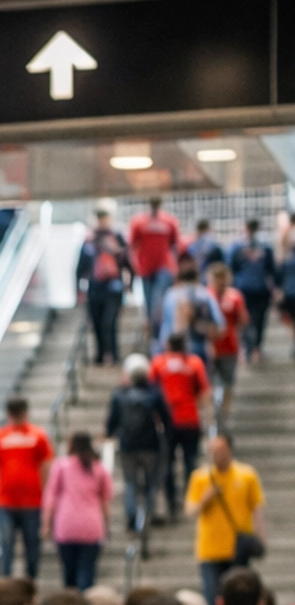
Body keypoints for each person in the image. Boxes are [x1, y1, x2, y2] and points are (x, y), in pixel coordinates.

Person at [185, 432, 266, 605]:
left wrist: (261, 538)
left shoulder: (246, 475)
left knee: (240, 599)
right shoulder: (200, 478)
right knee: (213, 598)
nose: (216, 454)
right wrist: (206, 498)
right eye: (213, 450)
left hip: (238, 547)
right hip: (209, 549)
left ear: (229, 449)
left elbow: (257, 508)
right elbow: (190, 511)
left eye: (220, 450)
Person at [0, 394, 53, 579]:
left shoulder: (37, 436)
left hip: (31, 502)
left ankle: (30, 578)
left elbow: (46, 465)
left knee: (31, 545)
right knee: (7, 544)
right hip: (7, 502)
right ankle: (7, 580)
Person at [106, 354, 173, 546]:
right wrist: (167, 439)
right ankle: (148, 516)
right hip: (150, 446)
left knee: (130, 484)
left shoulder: (120, 395)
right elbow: (167, 419)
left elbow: (112, 421)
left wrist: (112, 434)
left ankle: (131, 518)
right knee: (151, 484)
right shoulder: (155, 393)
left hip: (127, 446)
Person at [149, 333, 210, 520]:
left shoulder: (159, 364)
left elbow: (151, 390)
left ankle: (171, 501)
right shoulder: (194, 363)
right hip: (190, 418)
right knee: (190, 460)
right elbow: (204, 391)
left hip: (167, 421)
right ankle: (189, 497)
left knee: (168, 462)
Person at [41, 431, 112, 590]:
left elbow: (51, 497)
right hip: (91, 526)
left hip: (66, 526)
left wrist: (46, 524)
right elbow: (106, 501)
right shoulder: (99, 469)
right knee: (87, 571)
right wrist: (107, 524)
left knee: (69, 573)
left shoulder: (61, 466)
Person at [76, 208, 133, 366]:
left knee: (109, 322)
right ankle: (100, 355)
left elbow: (127, 261)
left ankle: (113, 355)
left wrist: (129, 284)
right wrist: (78, 290)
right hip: (95, 287)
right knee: (97, 322)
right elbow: (81, 266)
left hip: (113, 287)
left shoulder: (116, 237)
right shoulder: (89, 239)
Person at [129, 196, 183, 337]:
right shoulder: (139, 221)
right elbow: (132, 247)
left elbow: (175, 245)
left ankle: (162, 337)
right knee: (149, 305)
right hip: (146, 269)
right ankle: (155, 340)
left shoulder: (169, 221)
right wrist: (135, 267)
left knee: (157, 303)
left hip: (164, 268)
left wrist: (176, 268)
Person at [230, 218, 276, 361]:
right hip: (249, 289)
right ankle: (251, 347)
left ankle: (252, 347)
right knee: (250, 319)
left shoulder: (261, 247)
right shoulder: (239, 247)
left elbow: (271, 269)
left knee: (257, 319)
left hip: (254, 289)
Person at [205, 261, 247, 412]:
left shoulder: (234, 297)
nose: (220, 283)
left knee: (228, 384)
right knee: (208, 384)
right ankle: (210, 416)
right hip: (209, 347)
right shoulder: (205, 296)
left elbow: (243, 320)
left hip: (229, 347)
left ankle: (223, 416)